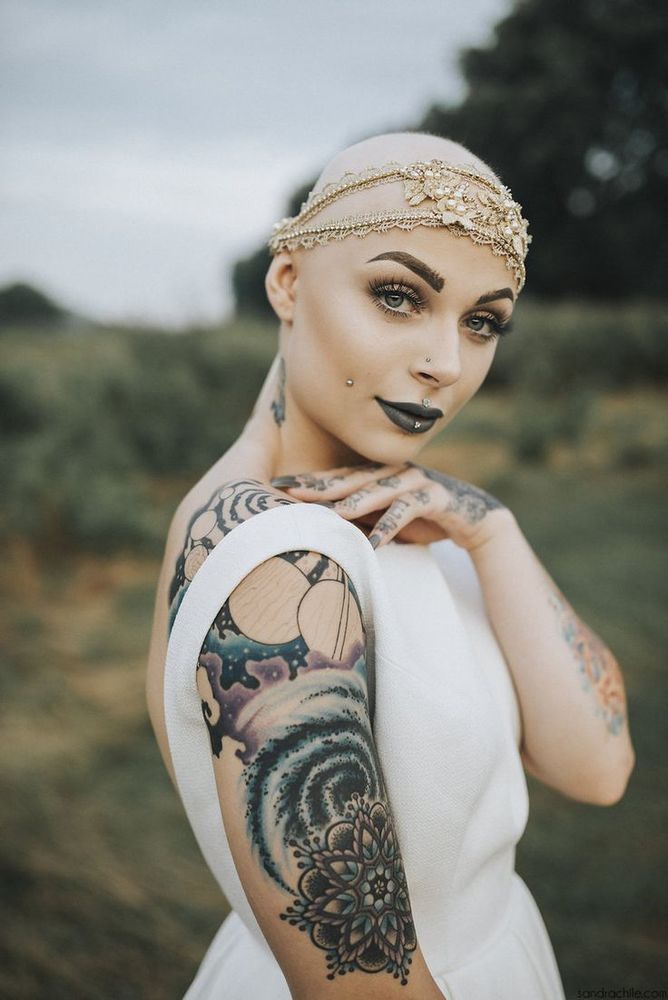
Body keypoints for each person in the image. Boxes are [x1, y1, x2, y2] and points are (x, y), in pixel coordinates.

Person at [145, 131, 635, 999]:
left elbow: (598, 768)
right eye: (399, 296)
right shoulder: (281, 560)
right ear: (288, 282)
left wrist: (491, 533)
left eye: (482, 321)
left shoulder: (415, 517)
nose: (446, 364)